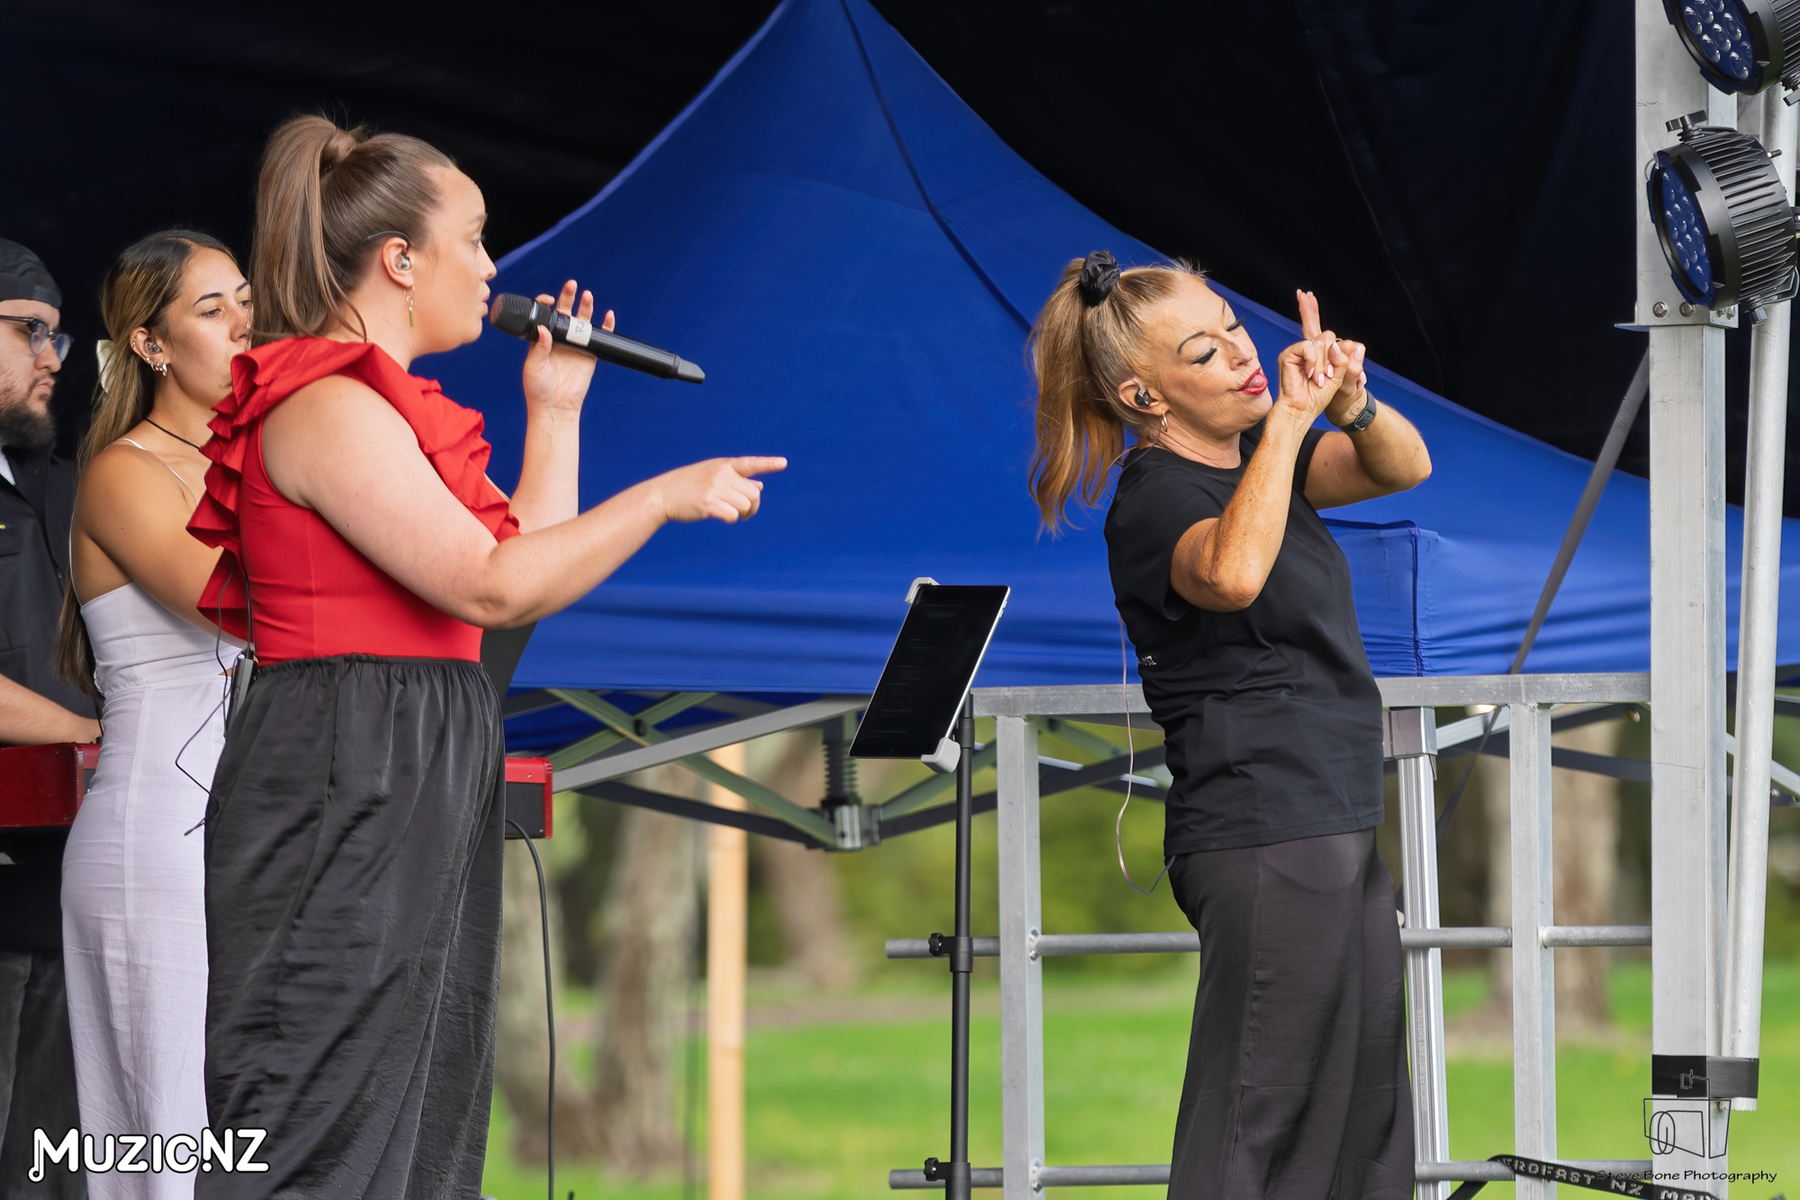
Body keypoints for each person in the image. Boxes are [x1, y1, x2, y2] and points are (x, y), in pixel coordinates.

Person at [187, 115, 783, 1199]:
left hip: (407, 751)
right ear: (400, 260)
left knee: (419, 1096)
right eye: (473, 238)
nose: (493, 267)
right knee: (319, 1106)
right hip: (344, 758)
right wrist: (660, 496)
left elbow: (517, 582)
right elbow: (491, 584)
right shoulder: (326, 406)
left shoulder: (385, 407)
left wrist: (555, 413)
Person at [1027, 251, 1431, 1200]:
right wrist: (1288, 418)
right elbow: (1231, 574)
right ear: (1145, 397)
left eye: (1236, 328)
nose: (1245, 355)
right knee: (1257, 1117)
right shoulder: (1156, 498)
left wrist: (1349, 402)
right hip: (1262, 829)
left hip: (1334, 817)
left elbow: (1402, 465)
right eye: (1206, 352)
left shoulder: (1263, 466)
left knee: (1361, 1120)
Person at [54, 230, 253, 1199]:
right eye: (212, 310)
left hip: (251, 824)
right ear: (151, 344)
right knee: (161, 1142)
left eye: (248, 301)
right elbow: (233, 601)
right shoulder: (124, 471)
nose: (244, 325)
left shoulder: (257, 462)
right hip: (155, 836)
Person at [0, 237, 99, 1200]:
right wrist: (89, 737)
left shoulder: (71, 488)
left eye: (58, 337)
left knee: (59, 1168)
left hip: (77, 892)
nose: (52, 358)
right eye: (31, 330)